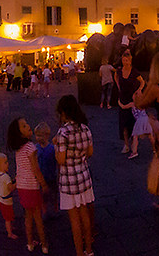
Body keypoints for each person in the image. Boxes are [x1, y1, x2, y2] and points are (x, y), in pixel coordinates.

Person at [54, 96, 95, 256]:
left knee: (74, 220)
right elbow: (90, 152)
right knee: (84, 214)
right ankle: (89, 250)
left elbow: (61, 160)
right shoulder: (85, 128)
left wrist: (57, 147)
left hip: (69, 180)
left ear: (63, 113)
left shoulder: (63, 133)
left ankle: (79, 252)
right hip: (84, 176)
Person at [7, 117, 48, 254]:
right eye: (24, 126)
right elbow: (35, 168)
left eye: (26, 124)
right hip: (32, 187)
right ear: (20, 134)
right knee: (38, 217)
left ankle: (30, 243)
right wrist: (43, 183)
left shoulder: (19, 149)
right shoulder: (31, 147)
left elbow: (19, 169)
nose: (28, 126)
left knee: (28, 217)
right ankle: (44, 244)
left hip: (22, 188)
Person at [0, 152, 19, 243]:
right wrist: (17, 182)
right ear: (0, 166)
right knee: (8, 218)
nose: (8, 163)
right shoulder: (6, 177)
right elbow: (11, 188)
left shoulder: (0, 174)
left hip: (2, 199)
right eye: (5, 162)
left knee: (9, 215)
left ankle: (11, 227)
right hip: (6, 201)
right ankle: (9, 233)